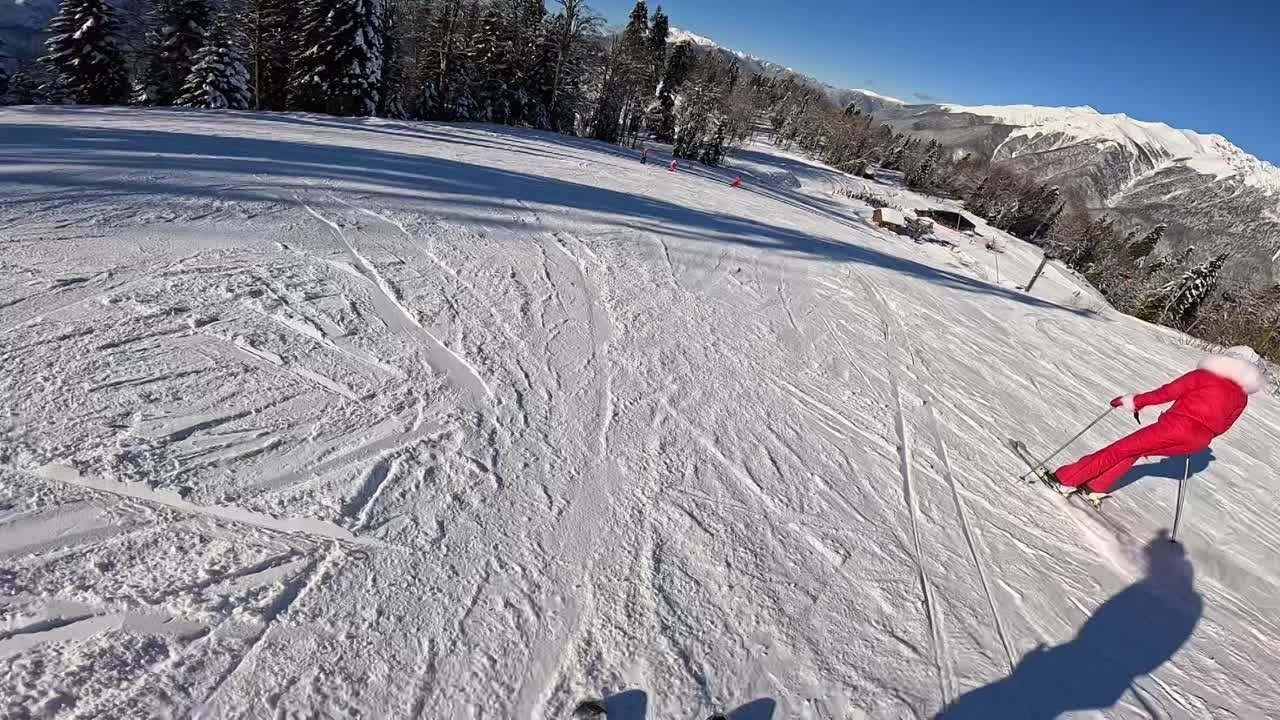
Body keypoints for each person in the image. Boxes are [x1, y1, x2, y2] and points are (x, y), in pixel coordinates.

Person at [1052, 346, 1266, 504]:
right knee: (1134, 450)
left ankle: (1066, 479)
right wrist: (1199, 432)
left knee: (1119, 449)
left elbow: (1166, 393)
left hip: (1174, 427)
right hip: (1199, 441)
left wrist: (1133, 401)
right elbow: (1223, 426)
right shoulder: (1241, 397)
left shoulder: (1204, 376)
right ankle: (1096, 486)